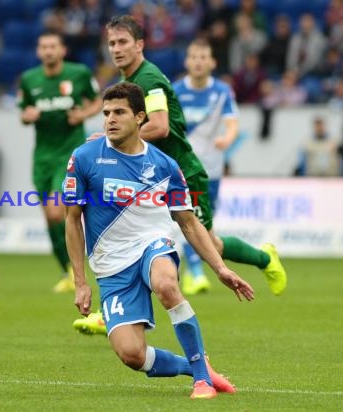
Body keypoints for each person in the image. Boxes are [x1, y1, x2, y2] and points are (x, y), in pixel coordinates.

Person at [74, 15, 286, 335]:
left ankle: (263, 257)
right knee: (130, 238)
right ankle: (115, 312)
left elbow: (159, 126)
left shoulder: (150, 79)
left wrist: (108, 141)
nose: (116, 49)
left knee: (208, 241)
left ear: (140, 45)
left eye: (123, 42)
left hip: (179, 174)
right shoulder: (129, 81)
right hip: (146, 175)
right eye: (112, 43)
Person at [65, 82, 254, 399]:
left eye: (119, 112)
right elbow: (72, 220)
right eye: (106, 112)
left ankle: (201, 383)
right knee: (132, 355)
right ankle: (197, 367)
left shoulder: (165, 166)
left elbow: (189, 224)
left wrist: (220, 269)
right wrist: (80, 281)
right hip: (111, 265)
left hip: (153, 245)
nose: (110, 119)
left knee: (166, 284)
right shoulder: (84, 158)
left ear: (139, 117)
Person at [18, 30, 102, 293]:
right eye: (43, 46)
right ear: (38, 51)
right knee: (50, 218)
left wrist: (83, 115)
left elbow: (98, 101)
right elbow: (23, 112)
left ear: (62, 50)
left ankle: (77, 268)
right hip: (42, 156)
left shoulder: (79, 73)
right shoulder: (29, 80)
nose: (48, 51)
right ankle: (67, 268)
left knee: (57, 210)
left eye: (53, 46)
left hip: (69, 153)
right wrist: (27, 115)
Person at [173, 39, 239, 295]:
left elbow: (232, 122)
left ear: (212, 62)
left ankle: (191, 269)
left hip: (211, 167)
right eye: (194, 57)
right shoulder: (175, 90)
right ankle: (196, 273)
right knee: (191, 216)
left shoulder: (222, 91)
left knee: (205, 223)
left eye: (203, 57)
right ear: (187, 61)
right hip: (182, 167)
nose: (198, 61)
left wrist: (228, 138)